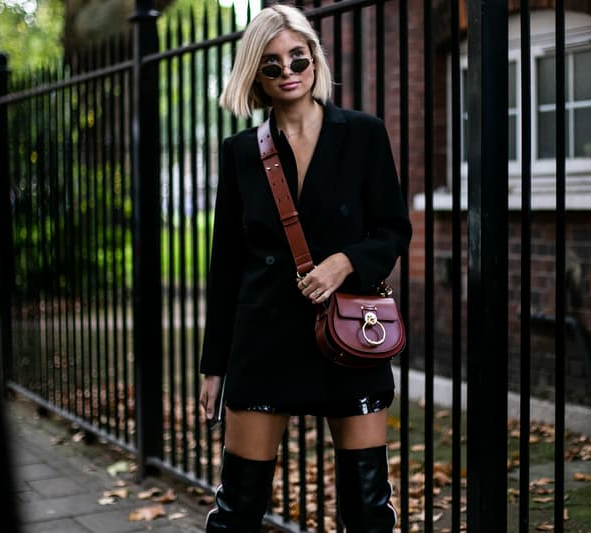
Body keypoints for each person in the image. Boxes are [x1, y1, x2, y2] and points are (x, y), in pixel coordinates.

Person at [198, 4, 411, 532]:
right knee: (238, 508)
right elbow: (225, 264)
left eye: (299, 57)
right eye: (272, 64)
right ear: (256, 76)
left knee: (367, 509)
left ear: (315, 60)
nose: (289, 71)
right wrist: (213, 365)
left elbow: (392, 230)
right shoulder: (241, 152)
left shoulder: (363, 134)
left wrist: (344, 263)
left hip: (347, 336)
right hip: (263, 338)